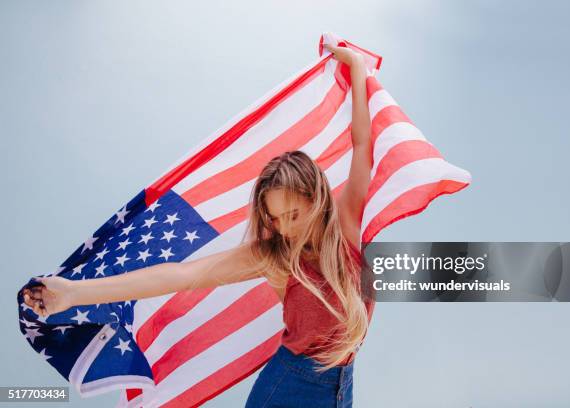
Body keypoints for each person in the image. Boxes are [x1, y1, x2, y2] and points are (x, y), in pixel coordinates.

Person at [22, 43, 374, 408]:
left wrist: (356, 66)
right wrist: (75, 293)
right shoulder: (275, 258)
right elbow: (178, 275)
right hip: (288, 387)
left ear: (315, 198)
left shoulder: (347, 225)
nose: (286, 229)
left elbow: (362, 144)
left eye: (294, 215)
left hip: (342, 385)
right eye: (276, 219)